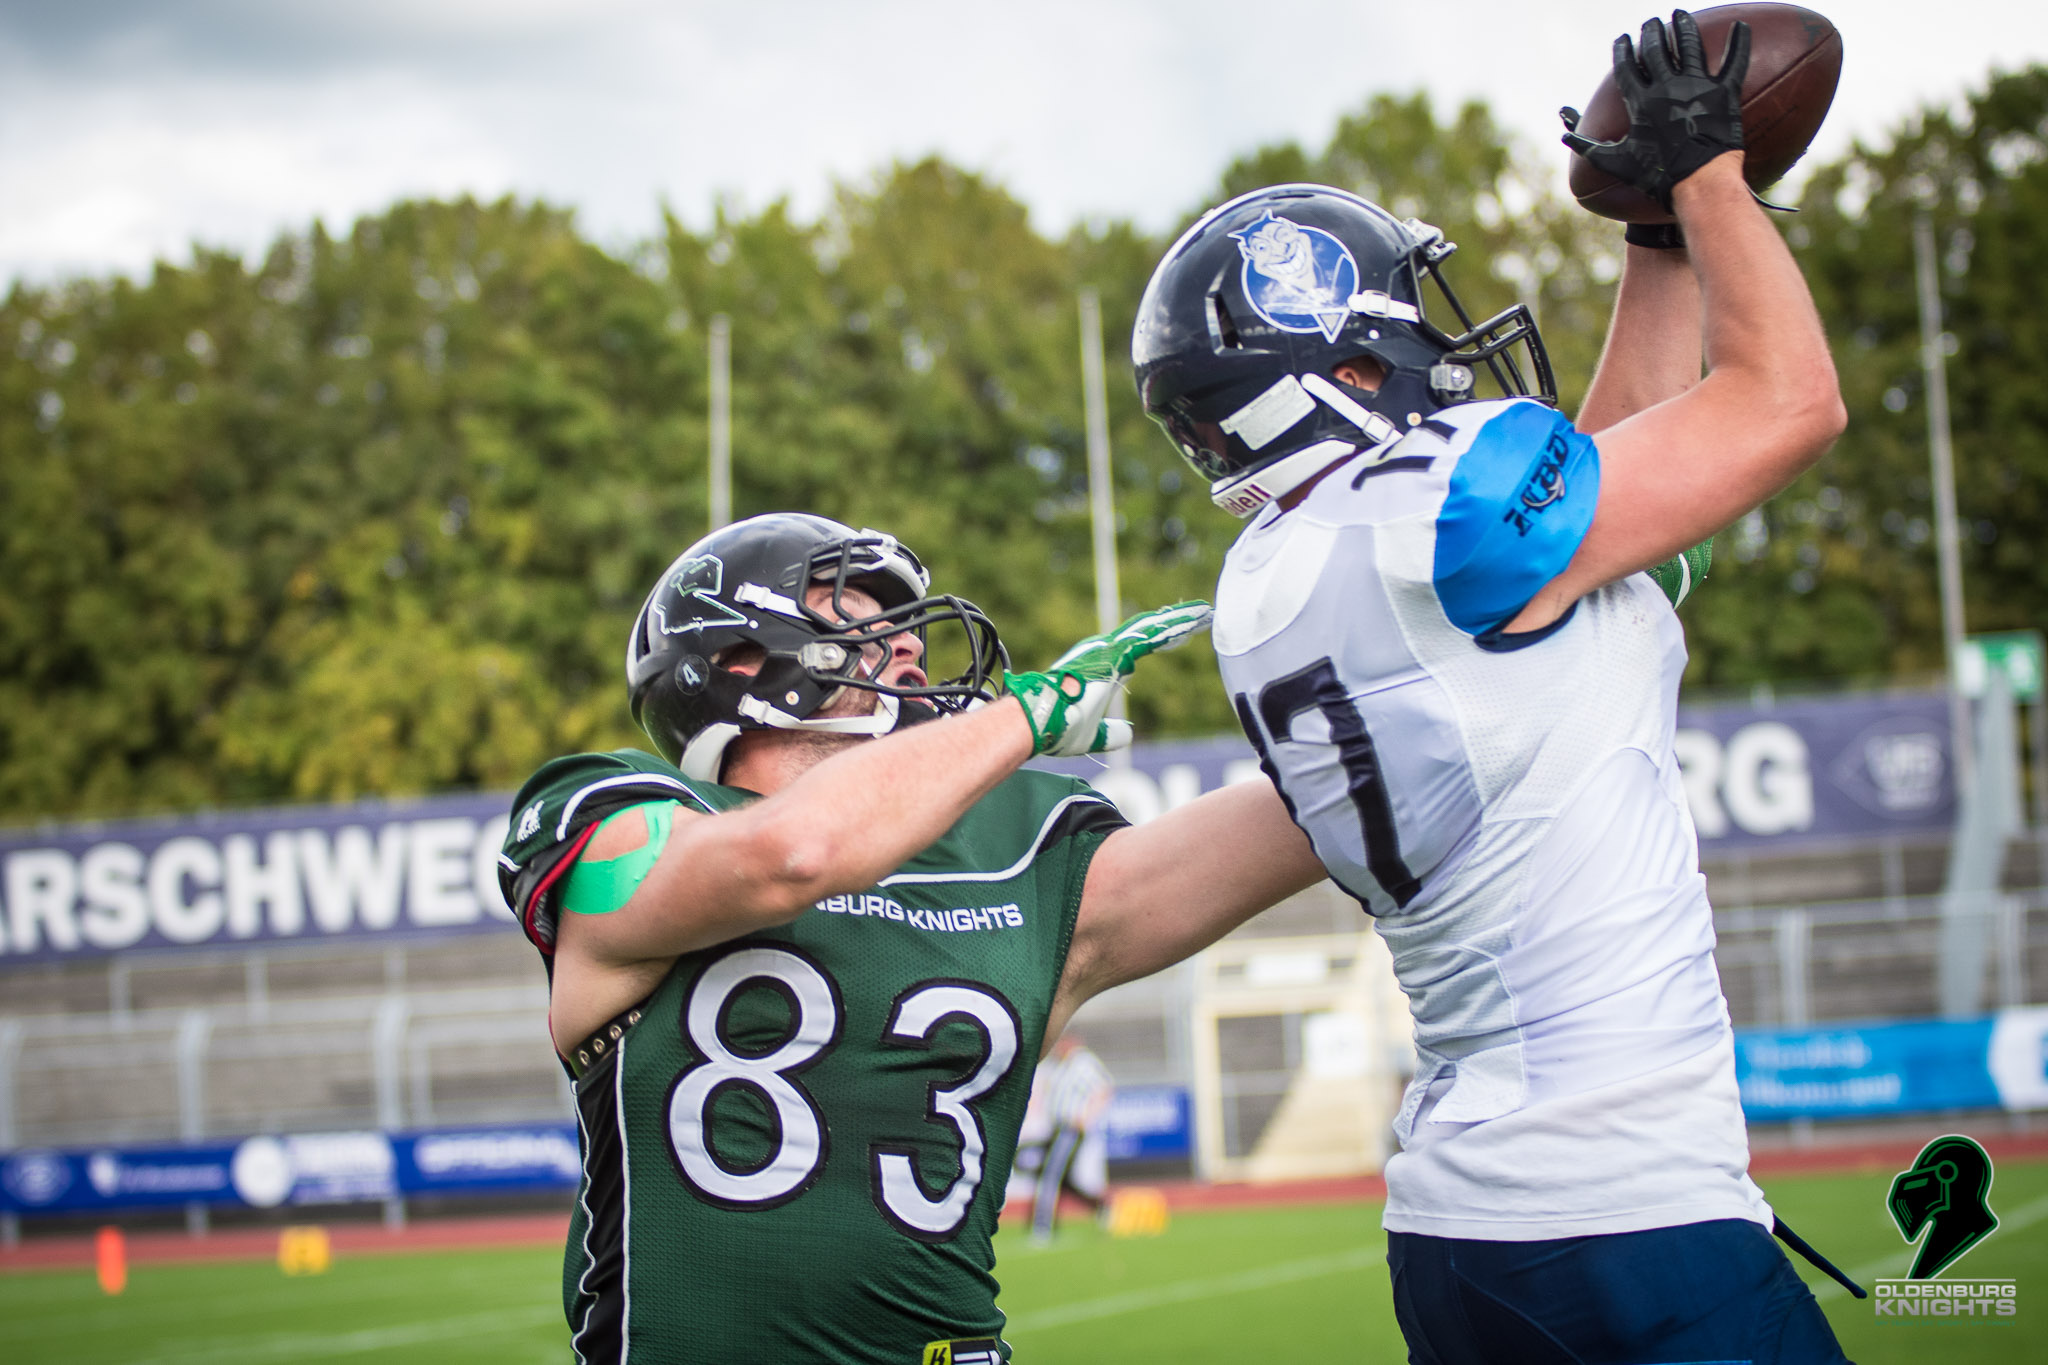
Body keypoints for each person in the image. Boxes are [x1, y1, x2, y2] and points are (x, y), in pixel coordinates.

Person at [1130, 12, 1855, 1364]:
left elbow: (1619, 487)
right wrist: (1710, 179)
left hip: (1461, 1239)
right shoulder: (1431, 509)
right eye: (1400, 322)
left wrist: (1658, 240)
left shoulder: (1285, 567)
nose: (1442, 342)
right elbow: (1786, 404)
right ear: (1341, 367)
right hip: (1625, 1219)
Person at [497, 511, 1323, 1364]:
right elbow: (793, 851)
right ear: (740, 659)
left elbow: (1324, 811)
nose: (910, 647)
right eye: (861, 616)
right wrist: (1022, 717)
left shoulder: (1017, 846)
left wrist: (1372, 686)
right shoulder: (618, 816)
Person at [1008, 1032, 1115, 1243]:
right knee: (1063, 1178)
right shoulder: (1061, 1065)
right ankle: (1101, 1207)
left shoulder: (1083, 1063)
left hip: (1069, 1129)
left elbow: (1104, 1088)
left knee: (1050, 1174)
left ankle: (1042, 1226)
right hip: (1057, 1128)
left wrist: (1087, 1116)